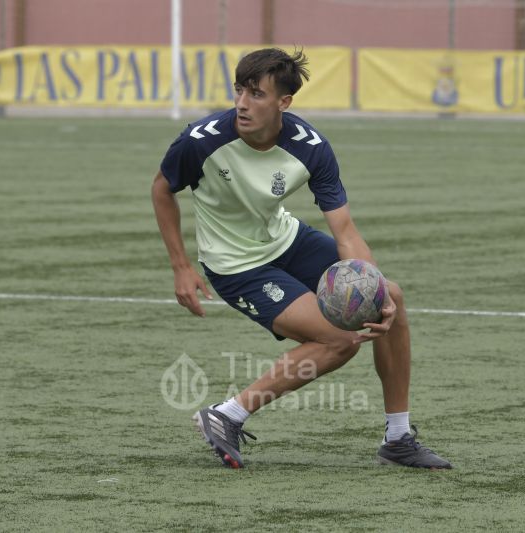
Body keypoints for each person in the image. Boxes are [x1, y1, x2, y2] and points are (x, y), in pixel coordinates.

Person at [151, 47, 451, 470]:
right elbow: (163, 188)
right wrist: (181, 266)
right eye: (239, 90)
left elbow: (344, 230)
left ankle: (398, 437)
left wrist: (373, 286)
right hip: (236, 265)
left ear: (284, 102)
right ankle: (228, 414)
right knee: (341, 338)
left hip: (288, 241)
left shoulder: (310, 147)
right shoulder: (201, 141)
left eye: (256, 94)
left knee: (392, 300)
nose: (242, 103)